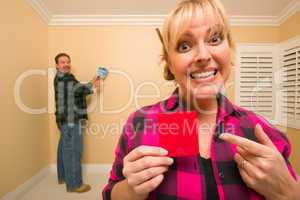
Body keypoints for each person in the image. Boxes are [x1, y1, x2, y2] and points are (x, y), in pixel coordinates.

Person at [102, 0, 299, 199]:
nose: (203, 55)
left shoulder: (261, 130)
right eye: (185, 46)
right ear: (169, 63)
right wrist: (131, 190)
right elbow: (110, 194)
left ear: (229, 49)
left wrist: (290, 192)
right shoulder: (139, 122)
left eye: (214, 39)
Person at [54, 53, 100, 193]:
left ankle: (63, 177)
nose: (66, 64)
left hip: (64, 119)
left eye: (68, 61)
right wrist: (93, 87)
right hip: (71, 120)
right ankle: (75, 185)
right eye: (62, 62)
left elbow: (76, 89)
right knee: (73, 151)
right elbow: (80, 90)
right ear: (57, 65)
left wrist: (91, 82)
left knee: (64, 149)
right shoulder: (65, 78)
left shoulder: (63, 77)